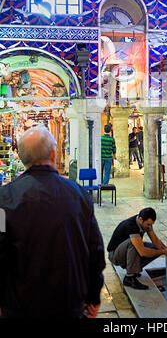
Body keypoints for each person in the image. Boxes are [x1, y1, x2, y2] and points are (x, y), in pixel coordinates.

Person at [0, 125, 106, 319]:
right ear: (54, 154)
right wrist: (93, 296)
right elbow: (96, 251)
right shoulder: (80, 195)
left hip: (20, 308)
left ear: (22, 158)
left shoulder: (3, 200)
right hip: (69, 305)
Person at [107, 207, 167, 290]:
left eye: (151, 224)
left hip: (126, 253)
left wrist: (166, 250)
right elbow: (142, 252)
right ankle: (130, 277)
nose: (149, 227)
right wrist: (163, 252)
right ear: (140, 219)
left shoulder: (145, 223)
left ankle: (134, 270)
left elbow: (156, 242)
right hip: (115, 255)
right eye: (148, 224)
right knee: (133, 244)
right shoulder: (131, 226)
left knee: (155, 249)